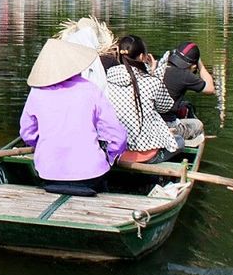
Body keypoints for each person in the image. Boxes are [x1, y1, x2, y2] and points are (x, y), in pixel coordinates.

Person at [19, 39, 128, 195]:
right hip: (91, 173)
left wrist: (45, 146)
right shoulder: (90, 89)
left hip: (48, 171)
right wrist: (110, 156)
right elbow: (117, 136)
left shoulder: (36, 93)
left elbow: (27, 133)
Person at [102, 35, 183, 164]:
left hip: (115, 151)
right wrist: (153, 74)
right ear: (141, 57)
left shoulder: (107, 78)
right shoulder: (151, 82)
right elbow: (165, 107)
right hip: (146, 154)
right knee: (179, 141)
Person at [157, 42, 209, 141]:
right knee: (198, 125)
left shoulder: (158, 66)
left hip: (150, 120)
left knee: (186, 106)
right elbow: (210, 88)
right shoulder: (185, 75)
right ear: (193, 66)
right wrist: (200, 65)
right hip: (165, 125)